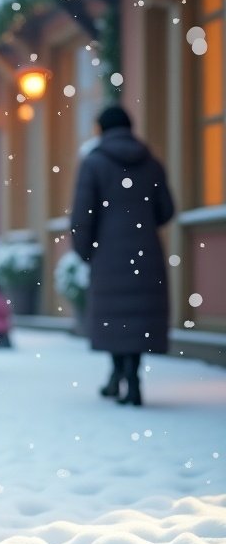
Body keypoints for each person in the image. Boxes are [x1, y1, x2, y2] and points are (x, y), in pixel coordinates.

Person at [70, 104, 175, 406]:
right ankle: (132, 375)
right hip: (146, 251)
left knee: (116, 317)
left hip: (108, 252)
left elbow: (82, 214)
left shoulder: (94, 163)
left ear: (101, 129)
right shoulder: (152, 163)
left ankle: (118, 374)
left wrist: (83, 248)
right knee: (138, 315)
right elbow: (166, 210)